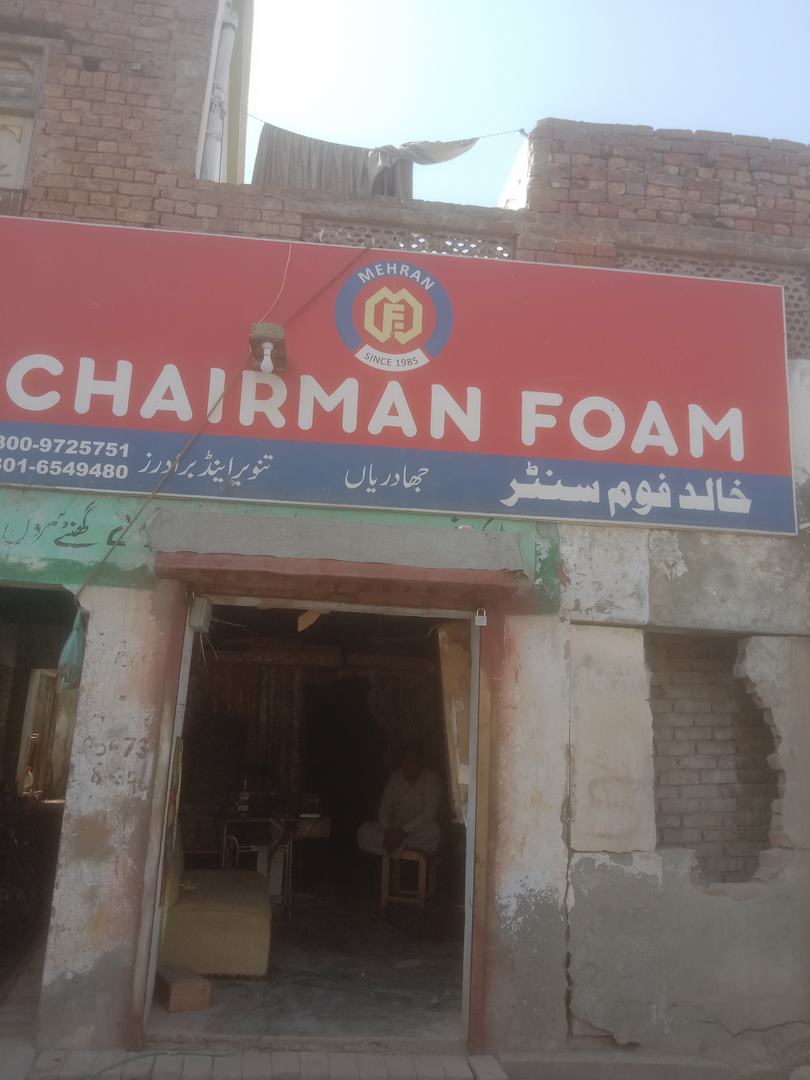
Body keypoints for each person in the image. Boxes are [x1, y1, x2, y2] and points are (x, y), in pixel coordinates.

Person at [357, 743, 442, 857]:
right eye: (407, 761)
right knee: (363, 831)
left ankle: (393, 847)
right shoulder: (394, 777)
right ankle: (401, 846)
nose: (411, 765)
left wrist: (403, 831)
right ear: (401, 762)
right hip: (394, 830)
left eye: (415, 761)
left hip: (417, 829)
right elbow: (384, 810)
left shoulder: (431, 778)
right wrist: (388, 832)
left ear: (421, 762)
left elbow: (430, 812)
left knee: (434, 831)